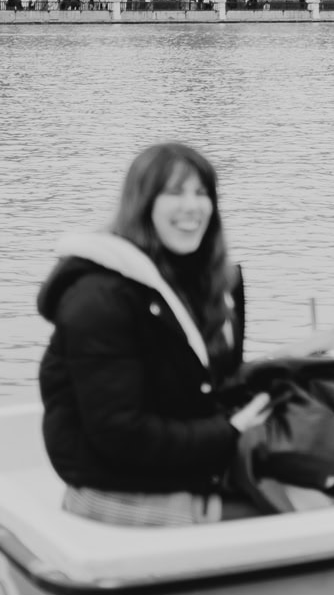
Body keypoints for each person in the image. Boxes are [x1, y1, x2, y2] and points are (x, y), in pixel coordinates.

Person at [37, 142, 250, 524]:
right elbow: (119, 433)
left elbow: (216, 385)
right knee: (323, 519)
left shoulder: (218, 285)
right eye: (174, 192)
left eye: (202, 193)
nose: (191, 206)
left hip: (193, 468)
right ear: (142, 203)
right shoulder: (98, 298)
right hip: (122, 490)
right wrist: (229, 432)